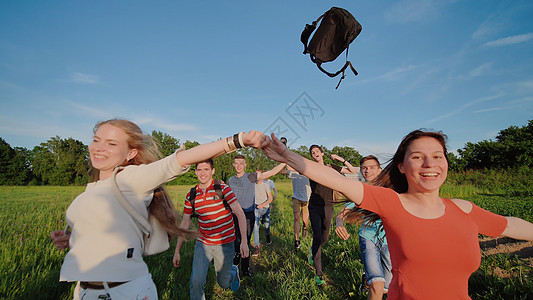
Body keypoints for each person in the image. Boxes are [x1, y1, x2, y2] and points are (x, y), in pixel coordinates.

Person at [263, 130, 533, 299]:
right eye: (417, 157)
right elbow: (338, 182)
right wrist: (288, 156)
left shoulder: (464, 209)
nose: (430, 164)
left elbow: (510, 225)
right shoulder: (392, 203)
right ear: (402, 167)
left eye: (438, 156)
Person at [50, 119, 268, 300]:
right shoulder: (91, 190)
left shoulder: (131, 179)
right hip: (85, 291)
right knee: (196, 284)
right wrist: (72, 240)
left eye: (111, 144)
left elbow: (180, 159)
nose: (99, 147)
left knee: (221, 280)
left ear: (130, 153)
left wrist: (238, 140)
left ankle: (231, 273)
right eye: (96, 140)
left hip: (125, 290)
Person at [173, 159, 249, 299]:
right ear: (195, 172)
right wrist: (177, 250)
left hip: (225, 243)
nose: (203, 173)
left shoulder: (223, 189)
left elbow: (239, 213)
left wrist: (244, 241)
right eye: (199, 170)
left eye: (206, 169)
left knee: (223, 283)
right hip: (203, 243)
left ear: (212, 171)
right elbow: (184, 223)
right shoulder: (192, 195)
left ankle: (233, 272)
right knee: (196, 283)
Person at [335, 155, 391, 300]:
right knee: (377, 285)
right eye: (364, 168)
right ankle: (370, 280)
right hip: (368, 238)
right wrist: (339, 224)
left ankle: (366, 279)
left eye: (372, 167)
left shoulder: (389, 190)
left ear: (379, 170)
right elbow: (341, 214)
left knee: (386, 287)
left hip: (389, 240)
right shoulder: (359, 191)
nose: (367, 170)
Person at [305, 145, 358, 285]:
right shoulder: (311, 168)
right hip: (314, 206)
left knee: (325, 238)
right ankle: (319, 274)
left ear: (322, 153)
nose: (315, 154)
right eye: (312, 153)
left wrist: (340, 159)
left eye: (317, 152)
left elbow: (352, 171)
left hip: (328, 206)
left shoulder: (331, 167)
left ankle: (313, 251)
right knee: (317, 237)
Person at [227, 155, 285, 277]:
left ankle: (245, 269)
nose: (238, 166)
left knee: (245, 241)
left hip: (248, 215)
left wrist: (284, 161)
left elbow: (272, 172)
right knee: (236, 241)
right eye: (236, 163)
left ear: (245, 165)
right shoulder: (230, 180)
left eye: (241, 163)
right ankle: (235, 263)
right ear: (233, 165)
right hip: (234, 215)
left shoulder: (251, 177)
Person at [252, 170, 273, 256]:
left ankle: (268, 235)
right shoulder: (252, 185)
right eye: (255, 174)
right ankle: (256, 246)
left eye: (259, 174)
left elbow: (270, 199)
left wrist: (263, 205)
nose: (257, 176)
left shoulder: (265, 185)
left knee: (266, 224)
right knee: (255, 226)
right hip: (256, 208)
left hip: (265, 208)